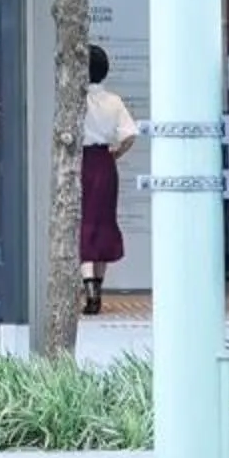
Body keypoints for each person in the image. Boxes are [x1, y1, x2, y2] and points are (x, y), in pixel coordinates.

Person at [78, 42, 139, 316]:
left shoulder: (75, 100)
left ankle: (88, 287)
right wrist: (116, 153)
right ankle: (97, 289)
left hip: (79, 162)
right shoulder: (114, 101)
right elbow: (130, 134)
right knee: (103, 222)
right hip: (104, 163)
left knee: (82, 223)